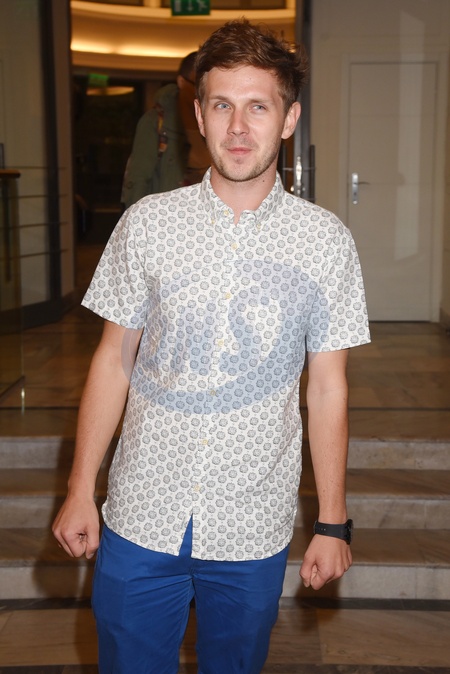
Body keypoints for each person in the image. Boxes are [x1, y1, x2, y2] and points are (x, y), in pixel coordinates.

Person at [53, 18, 371, 674]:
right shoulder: (147, 224)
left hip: (251, 522)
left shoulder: (326, 242)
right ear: (198, 115)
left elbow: (327, 387)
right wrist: (81, 486)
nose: (238, 127)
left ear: (289, 119)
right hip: (141, 512)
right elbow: (113, 361)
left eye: (259, 107)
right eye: (222, 105)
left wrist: (332, 522)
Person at [121, 51, 209, 209]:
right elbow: (138, 180)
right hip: (166, 216)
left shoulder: (215, 122)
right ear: (181, 82)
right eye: (198, 86)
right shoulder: (156, 122)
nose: (204, 94)